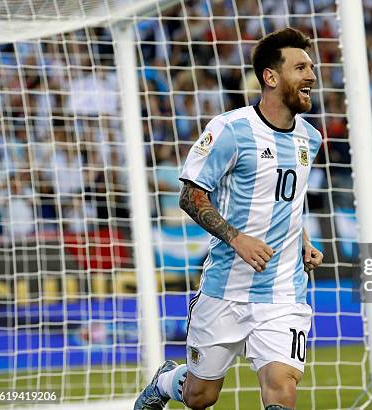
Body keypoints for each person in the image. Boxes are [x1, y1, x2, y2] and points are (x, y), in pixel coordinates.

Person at [134, 27, 324, 410]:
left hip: (283, 291)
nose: (312, 76)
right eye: (300, 67)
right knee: (200, 396)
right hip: (225, 288)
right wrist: (237, 238)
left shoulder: (310, 137)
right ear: (270, 77)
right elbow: (190, 195)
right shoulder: (230, 130)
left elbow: (287, 200)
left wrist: (302, 240)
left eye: (312, 67)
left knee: (281, 388)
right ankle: (167, 380)